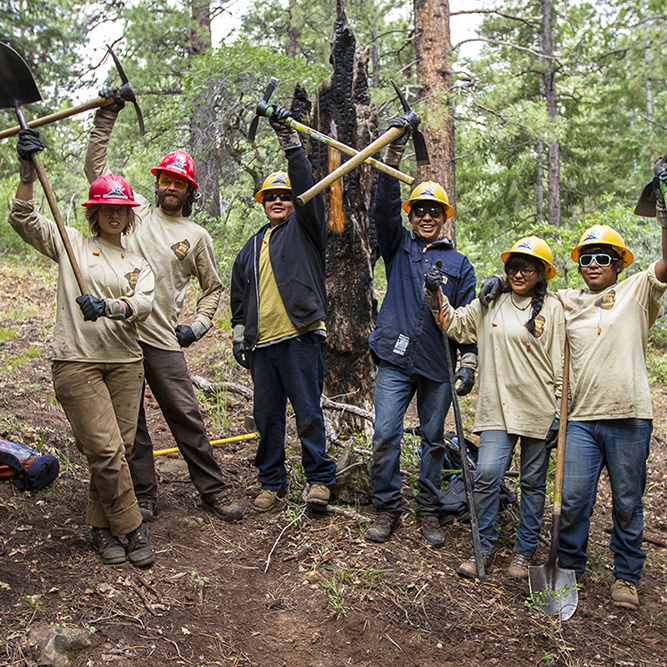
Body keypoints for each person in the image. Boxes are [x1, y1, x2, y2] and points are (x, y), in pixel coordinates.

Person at [480, 179, 667, 608]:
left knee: (626, 500)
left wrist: (663, 214)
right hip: (579, 420)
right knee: (575, 499)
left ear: (618, 263)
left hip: (629, 414)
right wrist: (500, 282)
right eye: (586, 258)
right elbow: (528, 287)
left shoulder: (637, 291)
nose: (593, 264)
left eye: (603, 257)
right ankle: (570, 570)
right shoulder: (565, 301)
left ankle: (626, 576)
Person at [85, 98, 243, 524]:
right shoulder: (132, 212)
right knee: (130, 424)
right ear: (157, 184)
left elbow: (213, 288)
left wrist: (199, 324)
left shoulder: (196, 236)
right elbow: (97, 171)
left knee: (186, 415)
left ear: (191, 190)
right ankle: (145, 493)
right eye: (166, 180)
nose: (171, 187)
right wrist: (108, 114)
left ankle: (213, 490)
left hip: (162, 339)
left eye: (180, 182)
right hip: (118, 337)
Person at [8, 129, 156, 567]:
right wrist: (25, 172)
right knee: (106, 451)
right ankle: (132, 528)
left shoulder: (138, 262)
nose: (114, 214)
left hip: (127, 363)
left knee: (117, 452)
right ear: (95, 211)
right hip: (77, 362)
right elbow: (23, 218)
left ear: (129, 215)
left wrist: (109, 305)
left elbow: (143, 304)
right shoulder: (72, 242)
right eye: (106, 207)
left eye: (121, 209)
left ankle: (100, 527)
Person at [364, 125, 478, 547]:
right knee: (386, 435)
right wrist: (391, 160)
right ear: (411, 215)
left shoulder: (461, 264)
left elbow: (468, 319)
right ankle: (386, 508)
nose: (427, 216)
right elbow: (382, 211)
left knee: (432, 440)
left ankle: (428, 511)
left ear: (445, 216)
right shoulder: (398, 247)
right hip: (395, 359)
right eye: (420, 210)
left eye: (435, 211)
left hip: (438, 365)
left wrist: (468, 361)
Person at [424, 236, 564, 577]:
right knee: (486, 475)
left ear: (542, 274)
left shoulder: (554, 308)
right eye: (513, 267)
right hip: (497, 408)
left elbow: (562, 364)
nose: (519, 274)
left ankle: (523, 553)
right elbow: (453, 324)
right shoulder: (491, 301)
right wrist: (434, 292)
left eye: (528, 269)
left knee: (532, 483)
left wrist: (561, 413)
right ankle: (482, 547)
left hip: (539, 410)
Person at [230, 105, 336, 512]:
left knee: (308, 412)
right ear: (262, 202)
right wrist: (240, 336)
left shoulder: (306, 229)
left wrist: (289, 142)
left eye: (284, 196)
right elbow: (239, 298)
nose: (278, 200)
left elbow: (306, 184)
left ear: (294, 201)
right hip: (262, 348)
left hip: (300, 338)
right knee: (267, 420)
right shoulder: (251, 246)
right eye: (271, 197)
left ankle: (319, 481)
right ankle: (271, 483)